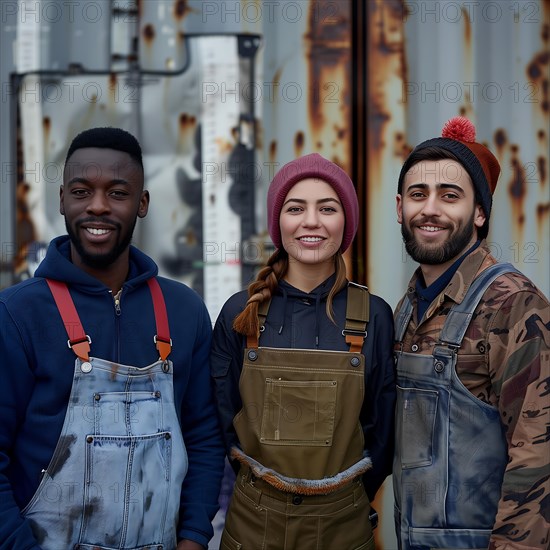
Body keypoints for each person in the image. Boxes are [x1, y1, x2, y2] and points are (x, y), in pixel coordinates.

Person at [0, 127, 225, 550]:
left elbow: (203, 436)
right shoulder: (16, 315)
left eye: (118, 193)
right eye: (83, 191)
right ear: (63, 198)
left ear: (142, 204)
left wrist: (194, 537)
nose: (98, 206)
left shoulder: (184, 311)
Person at [211, 153, 396, 549]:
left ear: (346, 222)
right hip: (252, 525)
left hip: (343, 526)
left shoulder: (374, 316)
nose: (311, 221)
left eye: (327, 208)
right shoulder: (239, 314)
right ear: (279, 222)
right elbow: (223, 423)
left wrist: (344, 497)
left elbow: (383, 431)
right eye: (296, 208)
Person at [393, 116, 550, 550]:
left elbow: (538, 453)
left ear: (479, 213)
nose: (431, 209)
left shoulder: (513, 302)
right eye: (418, 194)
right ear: (399, 206)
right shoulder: (406, 308)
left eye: (450, 196)